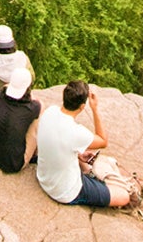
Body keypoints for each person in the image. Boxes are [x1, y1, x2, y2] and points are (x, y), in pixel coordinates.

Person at [36, 80, 135, 210]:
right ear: (82, 107)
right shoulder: (77, 132)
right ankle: (94, 180)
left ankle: (89, 173)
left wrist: (78, 155)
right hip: (66, 192)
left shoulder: (50, 111)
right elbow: (103, 141)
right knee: (124, 197)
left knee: (83, 156)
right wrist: (95, 109)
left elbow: (58, 139)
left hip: (44, 178)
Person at [0, 66, 40, 173]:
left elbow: (5, 86)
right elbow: (37, 101)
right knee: (37, 119)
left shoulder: (0, 95)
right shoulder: (32, 108)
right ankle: (33, 153)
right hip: (13, 164)